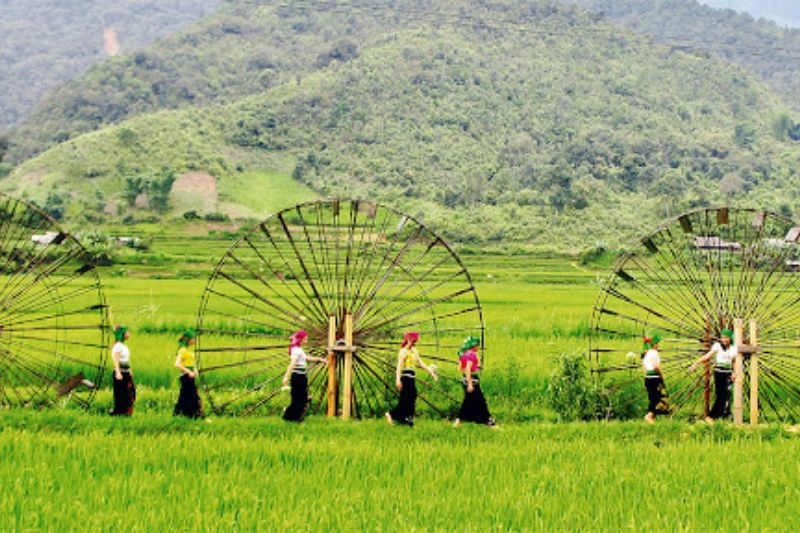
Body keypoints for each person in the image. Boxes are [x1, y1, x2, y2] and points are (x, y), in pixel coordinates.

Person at [385, 331, 438, 427]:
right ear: (408, 340)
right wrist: (398, 379)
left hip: (412, 377)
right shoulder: (403, 352)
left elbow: (420, 364)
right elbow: (399, 366)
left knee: (412, 396)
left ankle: (406, 417)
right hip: (405, 377)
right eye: (413, 341)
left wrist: (431, 371)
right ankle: (393, 415)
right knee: (406, 398)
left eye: (415, 341)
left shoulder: (414, 351)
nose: (414, 343)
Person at [690, 329, 738, 423]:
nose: (724, 339)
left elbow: (734, 361)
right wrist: (696, 363)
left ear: (730, 338)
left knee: (726, 396)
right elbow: (708, 356)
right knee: (720, 395)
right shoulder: (717, 346)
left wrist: (734, 372)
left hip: (727, 372)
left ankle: (720, 416)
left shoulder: (733, 348)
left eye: (726, 338)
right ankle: (711, 417)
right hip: (719, 372)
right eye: (723, 337)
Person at [453, 335, 496, 428]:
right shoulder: (471, 354)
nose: (479, 347)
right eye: (478, 345)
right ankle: (488, 421)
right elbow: (468, 369)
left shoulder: (464, 354)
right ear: (474, 345)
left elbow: (460, 369)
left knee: (470, 401)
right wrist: (470, 384)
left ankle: (461, 421)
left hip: (465, 379)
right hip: (472, 380)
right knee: (479, 401)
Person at [282, 330, 326, 421]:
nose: (306, 341)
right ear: (300, 340)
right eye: (305, 339)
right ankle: (291, 416)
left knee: (301, 397)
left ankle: (293, 416)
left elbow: (306, 358)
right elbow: (292, 363)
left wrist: (319, 359)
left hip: (302, 376)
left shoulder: (299, 349)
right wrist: (286, 376)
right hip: (297, 376)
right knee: (298, 398)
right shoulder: (296, 350)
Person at [173, 329, 203, 418]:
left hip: (191, 376)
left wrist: (194, 369)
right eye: (193, 338)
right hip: (186, 376)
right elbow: (177, 364)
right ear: (188, 340)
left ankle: (183, 414)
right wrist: (189, 372)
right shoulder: (182, 350)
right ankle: (196, 415)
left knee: (186, 396)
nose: (194, 341)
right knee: (192, 396)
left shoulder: (188, 350)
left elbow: (190, 363)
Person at [641, 334, 669, 424]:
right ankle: (649, 416)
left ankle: (652, 416)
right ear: (655, 344)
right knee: (656, 398)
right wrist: (662, 375)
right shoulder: (654, 353)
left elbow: (644, 366)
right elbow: (656, 366)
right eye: (658, 343)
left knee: (654, 397)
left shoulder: (647, 353)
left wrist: (646, 375)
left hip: (648, 377)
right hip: (654, 377)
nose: (659, 345)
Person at [109, 325, 136, 416]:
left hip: (126, 372)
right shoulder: (117, 346)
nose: (128, 334)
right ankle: (119, 411)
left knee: (128, 392)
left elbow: (126, 359)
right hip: (120, 372)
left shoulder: (123, 345)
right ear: (122, 334)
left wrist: (130, 370)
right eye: (127, 332)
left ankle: (126, 411)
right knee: (121, 393)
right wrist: (118, 372)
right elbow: (116, 360)